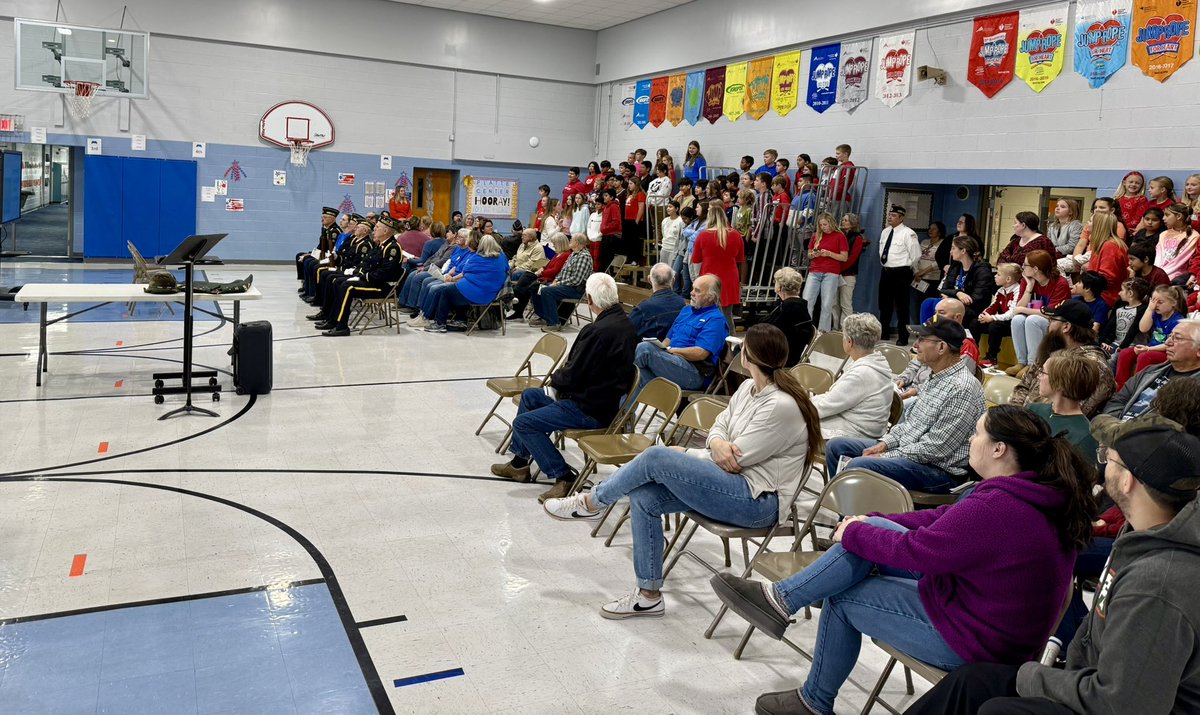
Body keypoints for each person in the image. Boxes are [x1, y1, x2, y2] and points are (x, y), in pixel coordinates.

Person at [714, 404, 1095, 715]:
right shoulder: (1027, 492)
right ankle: (780, 601)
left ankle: (813, 699)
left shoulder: (1000, 506)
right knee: (869, 534)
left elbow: (920, 550)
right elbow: (941, 521)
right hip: (986, 618)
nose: (970, 438)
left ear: (999, 449)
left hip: (978, 642)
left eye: (977, 433)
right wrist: (870, 523)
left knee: (845, 596)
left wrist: (855, 532)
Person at [903, 413, 1200, 715]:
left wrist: (1034, 677)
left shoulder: (1157, 586)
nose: (1102, 466)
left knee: (999, 710)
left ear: (1127, 481)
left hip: (1111, 701)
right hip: (1092, 681)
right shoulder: (1141, 533)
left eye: (1108, 459)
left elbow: (1122, 704)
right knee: (972, 682)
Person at [544, 323, 821, 620]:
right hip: (730, 483)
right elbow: (719, 428)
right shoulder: (746, 389)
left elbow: (737, 458)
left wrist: (689, 452)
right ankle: (648, 594)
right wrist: (715, 443)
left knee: (655, 458)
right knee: (645, 495)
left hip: (757, 501)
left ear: (746, 356)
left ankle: (592, 502)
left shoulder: (781, 405)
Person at [492, 273, 637, 503]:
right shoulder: (625, 323)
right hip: (601, 398)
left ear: (589, 300)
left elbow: (571, 375)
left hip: (590, 408)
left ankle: (563, 475)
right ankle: (519, 464)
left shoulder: (597, 331)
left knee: (524, 423)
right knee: (530, 396)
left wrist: (555, 383)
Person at [827, 317, 986, 492]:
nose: (915, 345)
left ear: (941, 347)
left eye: (922, 340)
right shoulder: (937, 377)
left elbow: (936, 448)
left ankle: (858, 517)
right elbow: (909, 425)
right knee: (837, 446)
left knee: (860, 464)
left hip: (941, 471)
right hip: (913, 453)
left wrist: (887, 455)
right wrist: (885, 443)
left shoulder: (962, 388)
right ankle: (849, 513)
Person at [1009, 299, 1114, 417]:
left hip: (1050, 432)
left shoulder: (1093, 366)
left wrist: (1024, 425)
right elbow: (1023, 386)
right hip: (1023, 424)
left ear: (1066, 327)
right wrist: (1015, 417)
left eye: (1052, 320)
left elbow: (1069, 415)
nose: (1048, 325)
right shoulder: (1050, 350)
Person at [633, 274, 728, 392]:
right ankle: (625, 410)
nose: (691, 293)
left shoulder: (715, 319)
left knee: (644, 349)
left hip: (695, 372)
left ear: (711, 297)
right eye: (692, 288)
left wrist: (670, 351)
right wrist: (660, 349)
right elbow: (668, 339)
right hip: (673, 362)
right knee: (638, 375)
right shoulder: (686, 310)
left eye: (697, 291)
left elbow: (701, 353)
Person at [317, 214, 405, 337]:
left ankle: (342, 326)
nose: (374, 229)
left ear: (385, 231)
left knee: (347, 287)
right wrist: (359, 273)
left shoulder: (392, 248)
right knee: (337, 281)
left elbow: (384, 274)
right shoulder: (380, 245)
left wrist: (363, 276)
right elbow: (367, 264)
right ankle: (332, 320)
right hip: (373, 281)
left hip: (382, 287)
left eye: (377, 227)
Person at [812, 313, 894, 440]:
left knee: (793, 424)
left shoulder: (862, 374)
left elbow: (826, 406)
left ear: (849, 342)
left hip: (854, 434)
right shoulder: (876, 362)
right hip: (859, 426)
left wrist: (800, 404)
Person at [1104, 317, 1200, 421]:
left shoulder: (1195, 388)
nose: (1167, 342)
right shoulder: (1150, 371)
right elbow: (1117, 401)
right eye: (1170, 336)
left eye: (1177, 338)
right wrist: (1115, 427)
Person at [416, 234, 509, 333]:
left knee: (446, 292)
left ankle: (440, 324)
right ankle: (461, 320)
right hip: (492, 293)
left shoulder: (477, 258)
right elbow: (507, 270)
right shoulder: (502, 258)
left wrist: (452, 279)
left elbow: (465, 271)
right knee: (457, 291)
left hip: (476, 293)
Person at [1027, 352, 1101, 468]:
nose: (1038, 376)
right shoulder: (1032, 410)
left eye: (1043, 372)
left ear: (1060, 384)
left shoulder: (1085, 437)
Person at [895, 299, 980, 399]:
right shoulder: (934, 336)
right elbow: (915, 363)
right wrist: (903, 379)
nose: (935, 316)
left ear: (957, 317)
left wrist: (916, 391)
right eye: (935, 312)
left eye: (941, 313)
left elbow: (952, 381)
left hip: (931, 395)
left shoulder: (966, 346)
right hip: (912, 388)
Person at [1007, 250, 1072, 378]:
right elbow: (1019, 307)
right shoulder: (1028, 280)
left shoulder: (1060, 283)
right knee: (1018, 320)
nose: (1022, 267)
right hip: (1037, 317)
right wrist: (1029, 288)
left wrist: (1023, 310)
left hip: (1057, 322)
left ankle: (1034, 365)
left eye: (1025, 265)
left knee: (1032, 320)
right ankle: (1022, 362)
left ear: (1035, 268)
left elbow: (1051, 313)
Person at [1114, 284, 1188, 389]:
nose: (1155, 305)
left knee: (1144, 356)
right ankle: (1120, 387)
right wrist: (1149, 309)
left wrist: (1148, 349)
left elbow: (1170, 344)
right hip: (1150, 348)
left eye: (1160, 302)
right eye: (1153, 301)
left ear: (1173, 303)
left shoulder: (1178, 320)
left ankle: (1137, 388)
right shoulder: (1155, 314)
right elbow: (1143, 328)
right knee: (1125, 353)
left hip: (1167, 352)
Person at [692, 199, 745, 331]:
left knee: (706, 314)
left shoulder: (703, 235)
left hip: (708, 278)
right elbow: (740, 259)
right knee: (727, 315)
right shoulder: (736, 235)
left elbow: (696, 260)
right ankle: (730, 346)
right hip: (730, 278)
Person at [530, 233, 594, 333]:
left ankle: (554, 323)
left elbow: (576, 280)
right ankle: (543, 317)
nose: (569, 241)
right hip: (565, 285)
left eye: (571, 240)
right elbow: (563, 271)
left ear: (576, 243)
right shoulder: (574, 254)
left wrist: (558, 283)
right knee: (535, 287)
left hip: (575, 289)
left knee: (547, 291)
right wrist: (556, 280)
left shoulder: (583, 257)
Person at [878, 205, 922, 345]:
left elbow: (916, 255)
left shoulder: (908, 233)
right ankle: (884, 333)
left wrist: (908, 267)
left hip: (901, 273)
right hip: (886, 272)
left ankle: (903, 337)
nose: (890, 217)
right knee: (884, 305)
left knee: (902, 306)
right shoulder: (885, 232)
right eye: (889, 215)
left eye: (894, 215)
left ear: (901, 217)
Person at [930, 236, 994, 329]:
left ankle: (942, 338)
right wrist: (958, 293)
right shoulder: (955, 266)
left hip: (974, 308)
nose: (950, 252)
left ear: (963, 251)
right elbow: (943, 289)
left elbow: (976, 299)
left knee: (946, 310)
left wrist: (951, 298)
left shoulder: (982, 270)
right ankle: (929, 336)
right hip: (957, 303)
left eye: (953, 248)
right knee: (930, 303)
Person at [803, 213, 848, 333]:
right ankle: (806, 330)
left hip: (831, 273)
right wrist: (813, 254)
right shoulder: (816, 235)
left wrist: (829, 254)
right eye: (821, 225)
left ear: (831, 223)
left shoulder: (840, 236)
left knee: (826, 304)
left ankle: (823, 332)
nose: (823, 227)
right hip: (814, 271)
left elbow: (844, 257)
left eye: (825, 224)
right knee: (807, 301)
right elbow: (809, 253)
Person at [977, 263, 1026, 367]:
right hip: (1002, 319)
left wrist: (993, 318)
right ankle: (974, 352)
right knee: (975, 323)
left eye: (998, 274)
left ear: (1008, 279)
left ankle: (992, 358)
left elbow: (1012, 313)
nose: (995, 276)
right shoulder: (1000, 291)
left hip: (1013, 322)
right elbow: (993, 306)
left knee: (995, 326)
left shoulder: (1018, 290)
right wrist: (983, 315)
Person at [763, 268, 814, 367]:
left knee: (739, 350)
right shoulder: (802, 308)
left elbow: (763, 328)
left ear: (780, 288)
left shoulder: (785, 309)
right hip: (793, 358)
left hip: (777, 359)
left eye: (775, 283)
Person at [627, 263, 686, 340]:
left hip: (651, 349)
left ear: (649, 280)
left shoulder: (644, 308)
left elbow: (626, 331)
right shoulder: (682, 303)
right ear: (673, 280)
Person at [1100, 277, 1151, 361]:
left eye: (1122, 290)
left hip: (1132, 345)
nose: (1119, 293)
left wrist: (1121, 347)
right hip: (1116, 343)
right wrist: (1103, 341)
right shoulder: (1120, 306)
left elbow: (1133, 330)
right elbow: (1110, 326)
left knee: (1112, 359)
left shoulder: (1142, 309)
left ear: (1130, 293)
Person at [1084, 211, 1128, 307]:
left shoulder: (1110, 246)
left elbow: (1106, 279)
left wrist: (1083, 288)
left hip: (1106, 298)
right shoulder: (1102, 244)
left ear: (1098, 225)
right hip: (1096, 293)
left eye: (1090, 221)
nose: (1087, 223)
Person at [910, 221, 950, 323]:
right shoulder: (924, 242)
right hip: (919, 279)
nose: (930, 231)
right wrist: (916, 272)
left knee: (930, 304)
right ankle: (920, 326)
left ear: (940, 232)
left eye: (934, 229)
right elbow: (916, 257)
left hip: (933, 279)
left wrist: (923, 272)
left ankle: (930, 326)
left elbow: (939, 262)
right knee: (918, 304)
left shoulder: (943, 244)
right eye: (930, 228)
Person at [834, 213, 866, 330]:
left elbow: (851, 258)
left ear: (852, 223)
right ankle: (835, 327)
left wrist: (839, 269)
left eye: (846, 220)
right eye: (842, 220)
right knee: (834, 303)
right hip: (836, 274)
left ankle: (845, 329)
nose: (843, 222)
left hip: (847, 274)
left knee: (845, 303)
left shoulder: (857, 238)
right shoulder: (840, 235)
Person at [1156, 203, 1199, 280]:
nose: (1163, 218)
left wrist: (1162, 274)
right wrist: (1156, 273)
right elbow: (1158, 259)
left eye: (1167, 215)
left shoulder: (1194, 236)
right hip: (1158, 274)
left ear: (1178, 216)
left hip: (1177, 277)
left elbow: (1179, 262)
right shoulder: (1163, 234)